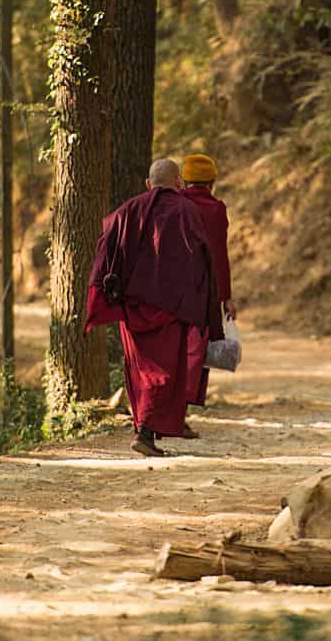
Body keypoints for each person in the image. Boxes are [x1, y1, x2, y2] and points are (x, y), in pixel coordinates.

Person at [85, 158, 222, 457]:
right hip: (172, 306)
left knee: (141, 370)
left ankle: (145, 429)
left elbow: (105, 251)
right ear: (178, 183)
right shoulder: (187, 211)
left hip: (133, 307)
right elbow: (202, 260)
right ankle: (145, 432)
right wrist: (202, 303)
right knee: (165, 371)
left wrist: (107, 295)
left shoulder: (126, 210)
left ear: (148, 184)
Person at [178, 154, 236, 428]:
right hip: (206, 291)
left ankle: (172, 411)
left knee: (175, 348)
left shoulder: (176, 204)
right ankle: (184, 408)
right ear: (212, 181)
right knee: (199, 348)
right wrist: (226, 297)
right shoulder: (215, 209)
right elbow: (219, 256)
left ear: (184, 180)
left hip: (172, 291)